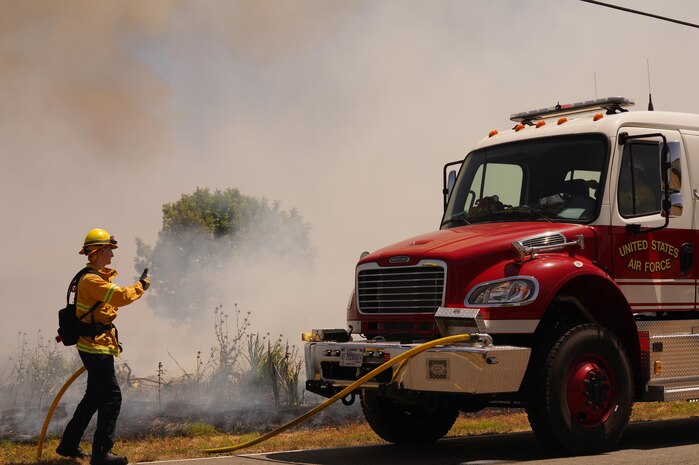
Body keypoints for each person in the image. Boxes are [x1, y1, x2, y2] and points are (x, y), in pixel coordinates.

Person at [56, 228, 150, 465]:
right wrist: (141, 286)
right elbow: (119, 297)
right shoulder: (91, 280)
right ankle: (101, 454)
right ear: (97, 251)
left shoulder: (93, 277)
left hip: (98, 345)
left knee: (93, 398)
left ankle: (68, 445)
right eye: (109, 249)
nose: (112, 254)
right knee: (111, 398)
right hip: (96, 348)